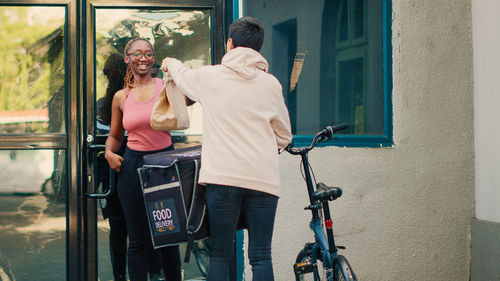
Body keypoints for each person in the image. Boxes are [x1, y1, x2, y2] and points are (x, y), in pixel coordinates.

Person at [162, 16, 292, 281]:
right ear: (258, 48)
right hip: (263, 180)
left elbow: (182, 76)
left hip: (222, 180)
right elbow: (284, 136)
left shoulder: (210, 77)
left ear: (230, 44)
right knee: (260, 256)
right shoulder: (271, 84)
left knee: (221, 254)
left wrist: (170, 62)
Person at [104, 38, 182, 281]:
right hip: (132, 167)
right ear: (127, 58)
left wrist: (178, 72)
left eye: (148, 53)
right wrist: (109, 153)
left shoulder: (165, 87)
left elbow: (188, 100)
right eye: (137, 53)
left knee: (167, 238)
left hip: (163, 165)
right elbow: (116, 135)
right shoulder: (120, 97)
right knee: (137, 241)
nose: (143, 58)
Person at [97, 53, 163, 281]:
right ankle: (155, 273)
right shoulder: (135, 98)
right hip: (140, 167)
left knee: (119, 229)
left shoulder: (104, 105)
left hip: (115, 173)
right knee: (151, 226)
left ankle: (120, 276)